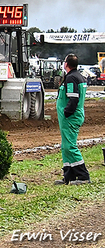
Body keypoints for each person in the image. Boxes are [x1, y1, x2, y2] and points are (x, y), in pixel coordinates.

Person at [55, 53, 90, 185]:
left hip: (71, 117)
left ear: (66, 64)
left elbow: (73, 98)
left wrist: (67, 113)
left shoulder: (71, 78)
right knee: (65, 146)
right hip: (69, 118)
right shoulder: (78, 76)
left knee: (70, 146)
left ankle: (83, 176)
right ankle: (69, 176)